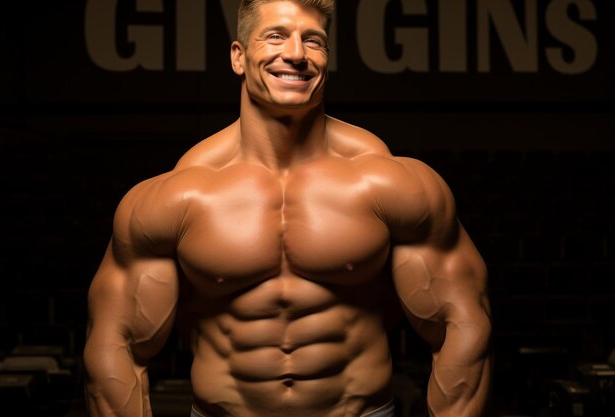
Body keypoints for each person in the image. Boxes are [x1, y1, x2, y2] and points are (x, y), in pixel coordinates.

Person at [83, 0, 492, 416]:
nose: (296, 54)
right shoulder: (178, 196)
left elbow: (462, 326)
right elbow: (116, 343)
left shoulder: (390, 184)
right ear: (238, 57)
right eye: (276, 35)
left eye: (313, 41)